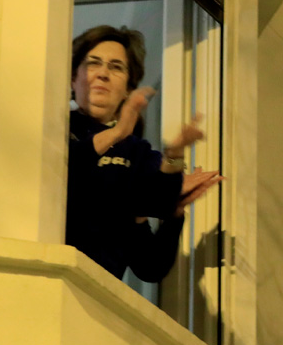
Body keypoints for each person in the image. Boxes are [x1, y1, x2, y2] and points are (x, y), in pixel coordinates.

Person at [66, 25, 221, 279]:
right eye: (93, 63)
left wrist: (176, 156)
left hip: (95, 298)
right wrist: (117, 133)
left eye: (116, 67)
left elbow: (150, 267)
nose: (103, 74)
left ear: (129, 86)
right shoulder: (55, 127)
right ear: (74, 77)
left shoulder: (136, 152)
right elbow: (66, 169)